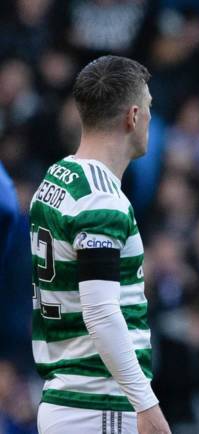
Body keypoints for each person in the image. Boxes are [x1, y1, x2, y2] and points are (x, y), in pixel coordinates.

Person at [29, 56, 171, 434]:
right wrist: (146, 403)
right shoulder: (100, 200)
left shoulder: (56, 179)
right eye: (149, 107)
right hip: (99, 404)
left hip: (66, 397)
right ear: (133, 116)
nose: (151, 118)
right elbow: (101, 312)